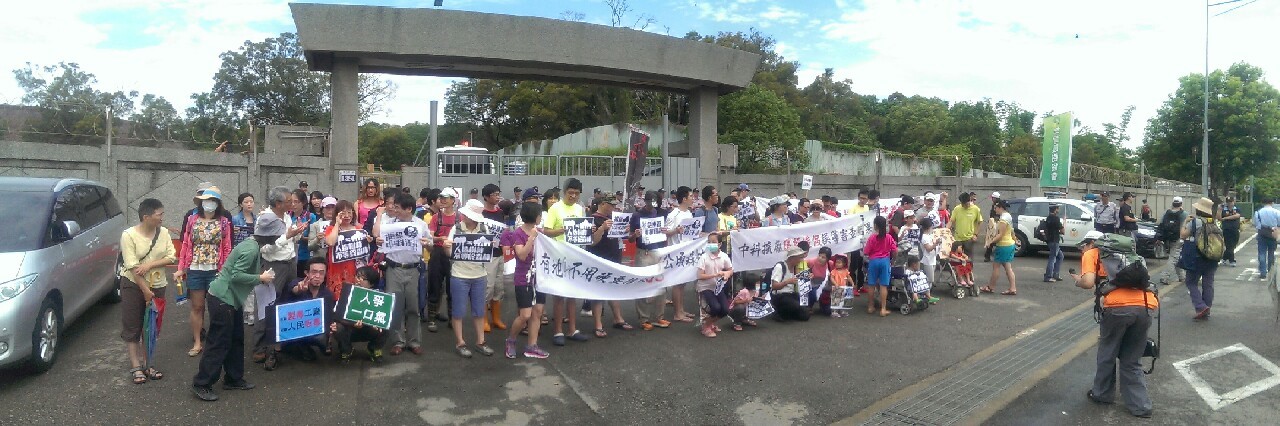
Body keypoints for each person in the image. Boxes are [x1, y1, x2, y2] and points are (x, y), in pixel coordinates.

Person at [192, 212, 279, 402]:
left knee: (236, 338)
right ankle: (202, 383)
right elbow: (236, 275)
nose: (280, 236)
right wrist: (260, 278)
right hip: (223, 299)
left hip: (231, 299)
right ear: (270, 234)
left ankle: (233, 377)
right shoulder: (251, 250)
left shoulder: (252, 244)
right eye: (277, 233)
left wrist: (259, 277)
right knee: (219, 342)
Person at [1071, 230, 1157, 418]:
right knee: (1132, 359)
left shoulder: (1092, 253)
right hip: (1146, 304)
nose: (1082, 249)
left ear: (1092, 242)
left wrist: (1078, 281)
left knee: (1108, 352)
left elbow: (1087, 283)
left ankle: (1102, 394)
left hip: (1118, 308)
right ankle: (1141, 406)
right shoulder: (1131, 256)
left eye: (1084, 245)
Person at [120, 198, 176, 385]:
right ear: (146, 217)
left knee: (151, 325)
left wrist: (151, 264)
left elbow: (171, 256)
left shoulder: (164, 233)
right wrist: (144, 290)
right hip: (133, 284)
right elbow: (132, 265)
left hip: (158, 284)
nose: (162, 218)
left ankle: (148, 363)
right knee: (133, 324)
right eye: (159, 214)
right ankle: (136, 366)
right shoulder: (128, 235)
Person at [174, 186, 233, 358]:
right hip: (195, 269)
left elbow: (227, 247)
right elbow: (185, 244)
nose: (209, 204)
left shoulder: (224, 222)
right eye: (206, 201)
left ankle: (214, 342)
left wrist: (225, 270)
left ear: (218, 204)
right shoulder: (192, 220)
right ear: (201, 203)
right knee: (197, 306)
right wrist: (180, 268)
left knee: (216, 307)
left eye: (213, 201)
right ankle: (197, 341)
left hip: (216, 269)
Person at [253, 187, 307, 368]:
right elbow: (264, 248)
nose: (293, 204)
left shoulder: (286, 215)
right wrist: (287, 236)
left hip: (290, 262)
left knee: (289, 301)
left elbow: (287, 240)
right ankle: (260, 347)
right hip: (273, 266)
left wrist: (295, 235)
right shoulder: (265, 219)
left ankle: (283, 342)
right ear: (278, 204)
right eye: (289, 201)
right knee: (267, 305)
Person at [374, 192, 432, 355]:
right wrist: (379, 240)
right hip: (393, 269)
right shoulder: (389, 224)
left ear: (409, 209)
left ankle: (414, 341)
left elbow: (431, 246)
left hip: (413, 269)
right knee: (395, 306)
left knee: (413, 307)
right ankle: (398, 341)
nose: (394, 209)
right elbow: (377, 236)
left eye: (398, 207)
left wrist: (427, 244)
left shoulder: (420, 225)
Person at [444, 199, 499, 358]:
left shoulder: (484, 228)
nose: (466, 218)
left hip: (479, 275)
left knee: (479, 310)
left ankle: (480, 341)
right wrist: (448, 248)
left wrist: (491, 245)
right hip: (459, 274)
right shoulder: (457, 228)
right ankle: (460, 342)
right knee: (458, 311)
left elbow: (489, 252)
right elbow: (450, 255)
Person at [541, 178, 591, 345]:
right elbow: (546, 231)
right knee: (559, 295)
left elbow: (583, 231)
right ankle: (557, 331)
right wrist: (560, 230)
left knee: (572, 295)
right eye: (571, 193)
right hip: (559, 256)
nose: (574, 196)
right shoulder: (555, 208)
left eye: (577, 193)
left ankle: (572, 329)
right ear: (564, 192)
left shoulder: (579, 208)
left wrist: (587, 229)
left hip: (575, 256)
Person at [502, 202, 551, 359]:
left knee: (537, 312)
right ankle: (511, 340)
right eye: (540, 215)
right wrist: (532, 238)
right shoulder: (518, 233)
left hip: (539, 278)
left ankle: (532, 345)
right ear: (536, 216)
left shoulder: (540, 232)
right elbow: (522, 255)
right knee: (525, 315)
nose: (541, 218)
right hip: (524, 279)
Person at [631, 191, 680, 330]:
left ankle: (659, 317)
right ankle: (644, 318)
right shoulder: (637, 215)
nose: (651, 205)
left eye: (654, 202)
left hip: (659, 252)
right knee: (644, 285)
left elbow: (666, 233)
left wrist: (668, 231)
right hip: (644, 252)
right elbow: (630, 238)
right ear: (644, 201)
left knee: (661, 285)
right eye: (649, 202)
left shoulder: (661, 214)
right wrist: (635, 234)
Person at [585, 195, 632, 334]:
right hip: (599, 260)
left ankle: (618, 318)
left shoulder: (614, 218)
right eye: (611, 205)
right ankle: (598, 325)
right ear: (603, 204)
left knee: (614, 290)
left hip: (614, 258)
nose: (614, 207)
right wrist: (602, 229)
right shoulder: (592, 219)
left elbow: (622, 238)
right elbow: (591, 242)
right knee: (598, 293)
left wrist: (625, 231)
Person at [275, 258, 335, 362]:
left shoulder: (328, 294)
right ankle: (294, 347)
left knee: (323, 339)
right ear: (306, 273)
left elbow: (329, 316)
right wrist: (299, 289)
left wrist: (332, 326)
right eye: (314, 272)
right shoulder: (297, 282)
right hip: (293, 329)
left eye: (321, 273)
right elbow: (293, 289)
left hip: (311, 328)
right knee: (290, 348)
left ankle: (306, 346)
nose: (317, 276)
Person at [331, 266, 388, 363]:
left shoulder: (379, 297)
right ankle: (346, 350)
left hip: (370, 330)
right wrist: (352, 323)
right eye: (357, 277)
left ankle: (374, 349)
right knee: (337, 327)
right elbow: (337, 315)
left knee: (386, 324)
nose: (358, 280)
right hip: (350, 330)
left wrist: (377, 323)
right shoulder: (347, 293)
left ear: (371, 284)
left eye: (363, 278)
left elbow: (388, 315)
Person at [425, 187, 460, 331]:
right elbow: (429, 236)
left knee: (453, 287)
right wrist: (440, 238)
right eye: (441, 197)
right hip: (438, 252)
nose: (443, 200)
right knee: (434, 284)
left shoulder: (459, 218)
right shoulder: (435, 217)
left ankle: (453, 318)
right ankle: (432, 318)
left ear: (453, 200)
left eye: (446, 198)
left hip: (454, 254)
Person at [1181, 197, 1221, 319]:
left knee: (1190, 282)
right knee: (1208, 284)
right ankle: (1207, 308)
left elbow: (1183, 235)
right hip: (1212, 257)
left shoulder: (1196, 222)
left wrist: (1185, 222)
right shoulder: (1214, 222)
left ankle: (1201, 306)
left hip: (1197, 257)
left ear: (1198, 209)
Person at [663, 186, 697, 323]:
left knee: (683, 283)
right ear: (684, 199)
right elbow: (665, 232)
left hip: (687, 251)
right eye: (690, 197)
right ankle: (677, 313)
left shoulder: (689, 213)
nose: (693, 199)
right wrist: (676, 231)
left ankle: (681, 310)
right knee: (677, 283)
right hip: (676, 252)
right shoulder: (673, 214)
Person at [479, 184, 509, 332]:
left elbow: (504, 232)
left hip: (500, 253)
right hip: (487, 255)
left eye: (498, 194)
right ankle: (484, 320)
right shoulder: (480, 214)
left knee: (499, 287)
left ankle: (496, 318)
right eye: (494, 194)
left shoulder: (501, 212)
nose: (497, 197)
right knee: (487, 287)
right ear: (486, 197)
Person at [324, 200, 369, 297]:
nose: (347, 215)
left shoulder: (359, 229)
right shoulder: (331, 229)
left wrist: (367, 241)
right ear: (337, 214)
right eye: (343, 213)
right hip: (337, 268)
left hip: (354, 268)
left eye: (349, 212)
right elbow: (331, 242)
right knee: (336, 297)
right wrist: (337, 223)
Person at [696, 233, 734, 337]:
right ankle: (706, 327)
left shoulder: (724, 256)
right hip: (705, 287)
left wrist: (726, 274)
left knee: (725, 310)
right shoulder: (704, 257)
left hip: (718, 287)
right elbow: (699, 275)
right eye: (709, 242)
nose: (711, 244)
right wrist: (715, 275)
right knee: (716, 307)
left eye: (714, 242)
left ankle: (709, 323)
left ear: (720, 244)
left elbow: (730, 270)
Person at [864, 216, 897, 316]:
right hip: (885, 261)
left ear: (875, 226)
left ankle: (870, 306)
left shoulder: (872, 237)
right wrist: (893, 260)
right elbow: (895, 250)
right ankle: (883, 309)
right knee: (883, 286)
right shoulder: (888, 237)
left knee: (871, 285)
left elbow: (866, 252)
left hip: (873, 261)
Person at [983, 200, 1018, 296]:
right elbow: (1012, 230)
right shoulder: (1008, 216)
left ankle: (991, 287)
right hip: (1009, 244)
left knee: (996, 267)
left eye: (996, 208)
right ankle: (1012, 288)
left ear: (1000, 207)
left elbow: (1000, 235)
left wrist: (989, 242)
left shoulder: (1003, 219)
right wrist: (1015, 240)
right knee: (1008, 268)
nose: (994, 210)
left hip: (1003, 245)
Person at [769, 246, 811, 322]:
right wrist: (787, 282)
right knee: (793, 306)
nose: (801, 260)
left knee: (805, 315)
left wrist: (807, 277)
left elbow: (799, 280)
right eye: (800, 258)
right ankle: (777, 311)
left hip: (791, 294)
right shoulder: (780, 266)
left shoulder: (795, 267)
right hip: (779, 295)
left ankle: (789, 313)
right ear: (792, 258)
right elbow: (774, 286)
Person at [1157, 197, 1189, 285]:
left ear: (1173, 203)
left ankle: (1182, 277)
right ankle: (1165, 277)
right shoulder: (1184, 214)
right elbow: (1188, 225)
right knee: (1173, 257)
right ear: (1181, 204)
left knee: (1176, 256)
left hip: (1168, 238)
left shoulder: (1167, 212)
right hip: (1179, 238)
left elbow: (1161, 224)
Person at [290, 189, 319, 278]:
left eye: (296, 202)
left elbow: (313, 239)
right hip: (290, 257)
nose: (293, 204)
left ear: (303, 202)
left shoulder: (310, 217)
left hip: (305, 256)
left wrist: (301, 236)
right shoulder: (287, 216)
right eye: (291, 202)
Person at [1253, 197, 1280, 279]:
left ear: (1262, 203)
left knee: (1262, 253)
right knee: (1271, 253)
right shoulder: (1276, 212)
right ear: (1272, 203)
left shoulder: (1258, 212)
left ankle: (1263, 272)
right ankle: (1270, 271)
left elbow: (1256, 224)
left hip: (1262, 234)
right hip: (1273, 234)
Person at [1043, 204, 1066, 283]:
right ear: (1055, 210)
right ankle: (1048, 276)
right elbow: (1063, 231)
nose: (1058, 211)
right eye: (1058, 209)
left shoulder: (1048, 218)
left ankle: (1055, 274)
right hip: (1054, 240)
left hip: (1049, 240)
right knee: (1052, 258)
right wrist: (1064, 222)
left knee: (1060, 256)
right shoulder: (1056, 219)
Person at [807, 247, 833, 317]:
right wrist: (808, 274)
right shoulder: (811, 262)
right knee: (813, 294)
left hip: (825, 286)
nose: (820, 258)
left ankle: (823, 305)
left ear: (827, 259)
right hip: (813, 284)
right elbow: (803, 270)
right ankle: (809, 306)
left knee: (827, 312)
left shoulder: (830, 264)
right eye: (819, 255)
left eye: (823, 257)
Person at [1219, 196, 1241, 267]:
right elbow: (1219, 218)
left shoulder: (1237, 208)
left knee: (1233, 245)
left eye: (1231, 202)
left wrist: (1225, 218)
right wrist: (1219, 209)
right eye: (1228, 202)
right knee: (1229, 245)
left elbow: (1237, 216)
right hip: (1226, 230)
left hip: (1235, 229)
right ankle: (1232, 260)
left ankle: (1224, 258)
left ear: (1233, 202)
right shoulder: (1223, 209)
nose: (1230, 203)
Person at [983, 192, 1002, 262]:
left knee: (993, 241)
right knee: (991, 241)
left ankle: (988, 256)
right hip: (992, 225)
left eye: (993, 198)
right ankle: (988, 256)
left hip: (996, 225)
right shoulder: (994, 204)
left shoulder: (998, 205)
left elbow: (997, 216)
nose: (992, 199)